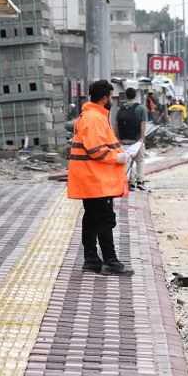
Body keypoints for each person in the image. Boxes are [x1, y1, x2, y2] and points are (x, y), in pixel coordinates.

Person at [69, 80, 133, 276]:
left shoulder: (88, 116)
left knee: (91, 219)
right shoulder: (94, 118)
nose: (112, 101)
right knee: (104, 220)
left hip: (90, 178)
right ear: (105, 98)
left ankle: (91, 259)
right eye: (112, 97)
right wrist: (118, 157)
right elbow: (95, 150)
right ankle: (110, 261)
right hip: (97, 180)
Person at [116, 86, 148, 191]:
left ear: (126, 96)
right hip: (137, 140)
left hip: (124, 140)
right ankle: (140, 181)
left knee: (127, 161)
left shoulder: (120, 109)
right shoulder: (141, 108)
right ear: (136, 95)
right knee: (140, 160)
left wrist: (118, 138)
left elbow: (116, 124)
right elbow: (143, 124)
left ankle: (129, 182)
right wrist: (141, 138)